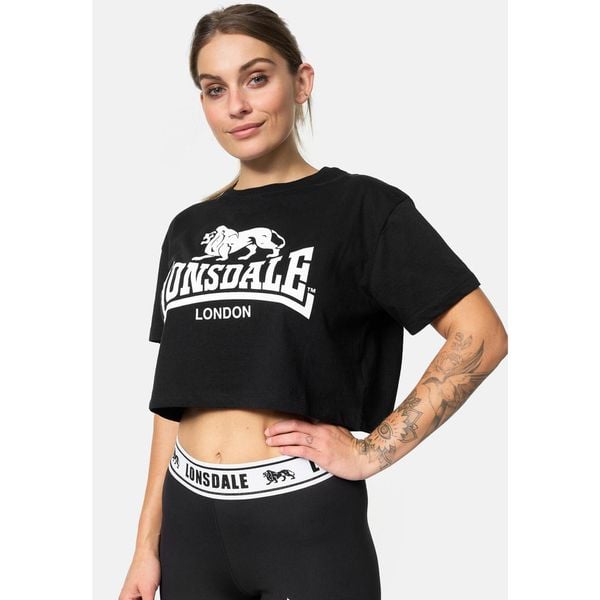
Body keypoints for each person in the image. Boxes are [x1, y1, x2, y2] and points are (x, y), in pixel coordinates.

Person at [118, 4, 508, 600]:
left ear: (301, 82)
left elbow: (481, 334)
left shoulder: (363, 209)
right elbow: (172, 401)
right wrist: (146, 545)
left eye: (256, 78)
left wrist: (373, 451)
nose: (236, 105)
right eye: (215, 88)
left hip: (303, 520)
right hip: (190, 525)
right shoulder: (189, 229)